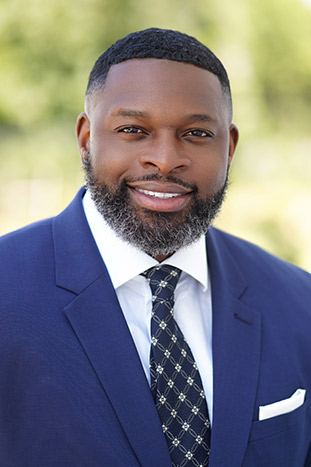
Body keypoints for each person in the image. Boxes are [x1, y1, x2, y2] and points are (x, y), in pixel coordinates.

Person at [0, 28, 310, 467]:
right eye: (133, 130)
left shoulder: (299, 303)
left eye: (197, 134)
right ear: (86, 139)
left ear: (230, 147)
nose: (165, 160)